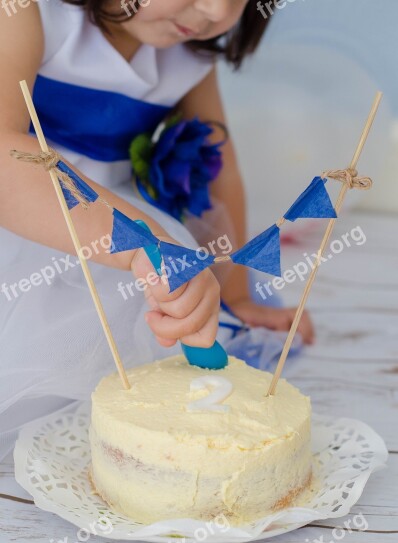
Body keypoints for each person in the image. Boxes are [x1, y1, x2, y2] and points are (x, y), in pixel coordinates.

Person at [0, 0, 313, 458]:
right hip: (32, 222)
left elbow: (216, 169)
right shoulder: (26, 13)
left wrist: (238, 293)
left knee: (154, 342)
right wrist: (139, 242)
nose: (214, 9)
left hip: (124, 242)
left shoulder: (189, 55)